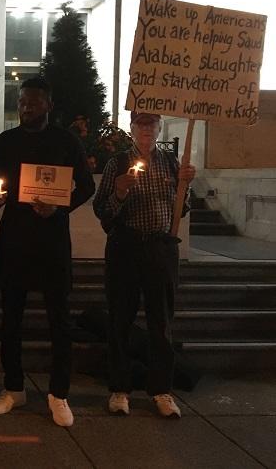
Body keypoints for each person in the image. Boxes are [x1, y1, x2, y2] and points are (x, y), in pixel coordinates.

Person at [0, 77, 95, 428]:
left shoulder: (67, 141)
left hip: (52, 242)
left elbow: (86, 186)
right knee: (11, 319)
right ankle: (13, 387)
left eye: (33, 102)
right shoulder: (6, 142)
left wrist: (60, 208)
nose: (25, 107)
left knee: (59, 320)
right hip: (15, 239)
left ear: (48, 105)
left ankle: (58, 393)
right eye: (21, 102)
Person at [93, 111, 196, 419]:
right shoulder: (118, 163)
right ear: (132, 128)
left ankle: (161, 390)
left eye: (152, 123)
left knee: (161, 322)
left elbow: (182, 208)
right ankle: (120, 389)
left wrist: (186, 186)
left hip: (160, 248)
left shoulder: (170, 163)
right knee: (120, 319)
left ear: (159, 128)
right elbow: (102, 210)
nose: (147, 129)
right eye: (141, 123)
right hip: (126, 248)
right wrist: (120, 192)